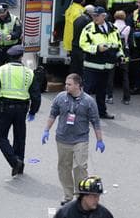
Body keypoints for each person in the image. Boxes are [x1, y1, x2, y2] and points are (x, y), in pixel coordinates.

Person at [43, 73, 104, 206]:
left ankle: (80, 195)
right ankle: (68, 195)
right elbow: (53, 114)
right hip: (62, 139)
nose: (66, 86)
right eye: (66, 84)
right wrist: (46, 130)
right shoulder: (60, 97)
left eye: (69, 84)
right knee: (64, 167)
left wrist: (100, 140)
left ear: (78, 85)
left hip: (80, 139)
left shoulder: (88, 101)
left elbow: (96, 122)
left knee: (80, 167)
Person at [0, 45, 41, 176]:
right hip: (22, 109)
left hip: (5, 108)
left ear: (9, 56)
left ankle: (14, 161)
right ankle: (19, 166)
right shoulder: (29, 72)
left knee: (0, 136)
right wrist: (33, 111)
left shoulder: (2, 70)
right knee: (20, 138)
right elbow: (36, 95)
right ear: (21, 57)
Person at [79, 6, 124, 119]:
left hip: (107, 66)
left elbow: (118, 44)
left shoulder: (113, 28)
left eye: (97, 15)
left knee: (102, 91)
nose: (94, 18)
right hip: (92, 65)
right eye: (93, 15)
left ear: (104, 16)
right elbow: (83, 44)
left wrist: (121, 56)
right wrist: (97, 48)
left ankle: (102, 112)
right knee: (87, 91)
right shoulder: (88, 29)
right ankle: (83, 114)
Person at [0, 3, 22, 72]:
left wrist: (12, 36)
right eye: (0, 13)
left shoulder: (15, 19)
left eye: (3, 13)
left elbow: (18, 32)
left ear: (7, 10)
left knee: (13, 71)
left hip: (12, 50)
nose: (2, 15)